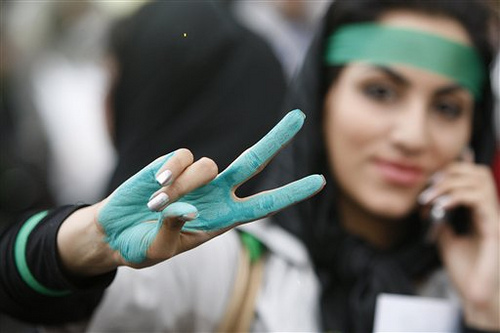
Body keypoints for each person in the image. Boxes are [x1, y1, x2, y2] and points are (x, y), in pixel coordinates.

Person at [1, 0, 499, 332]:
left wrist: (484, 309)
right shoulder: (222, 259)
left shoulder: (474, 279)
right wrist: (86, 242)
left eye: (447, 108)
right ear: (321, 97)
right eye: (380, 92)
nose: (412, 135)